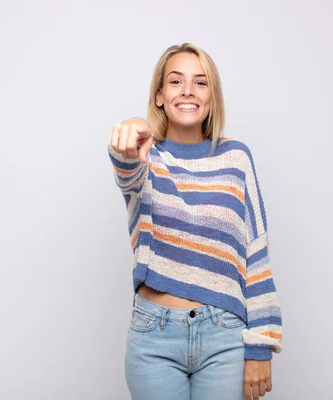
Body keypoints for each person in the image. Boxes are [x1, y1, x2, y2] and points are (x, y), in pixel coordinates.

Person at [107, 43, 283, 400]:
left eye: (200, 83)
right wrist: (129, 132)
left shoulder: (236, 157)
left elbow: (256, 252)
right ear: (159, 96)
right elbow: (127, 171)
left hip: (225, 337)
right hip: (153, 336)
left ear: (212, 97)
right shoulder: (146, 155)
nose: (187, 90)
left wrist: (262, 344)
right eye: (176, 81)